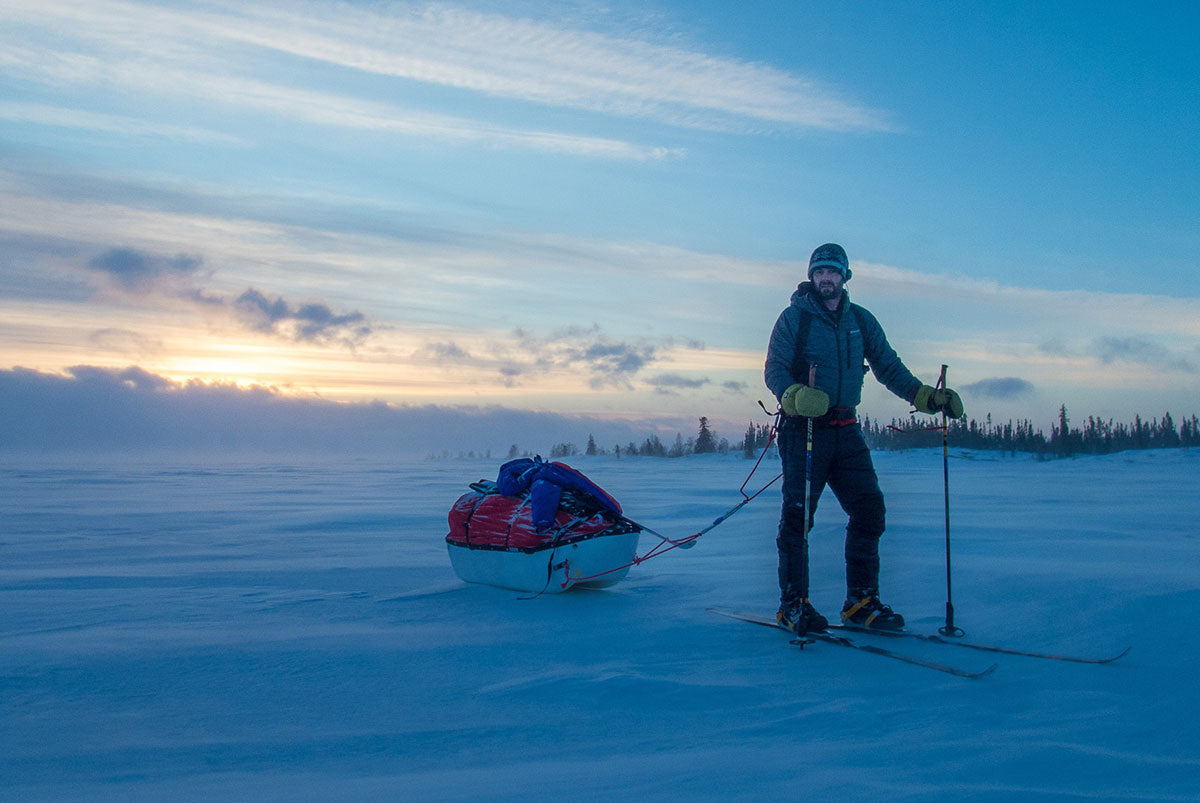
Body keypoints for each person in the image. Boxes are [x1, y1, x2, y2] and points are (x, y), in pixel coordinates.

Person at [764, 243, 964, 635]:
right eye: (819, 272)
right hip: (804, 431)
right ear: (812, 276)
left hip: (846, 430)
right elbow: (774, 369)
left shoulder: (860, 320)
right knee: (798, 518)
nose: (825, 278)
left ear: (845, 276)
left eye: (832, 272)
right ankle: (794, 603)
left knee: (870, 510)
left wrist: (926, 397)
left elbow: (889, 366)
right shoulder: (794, 319)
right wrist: (794, 395)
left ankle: (860, 602)